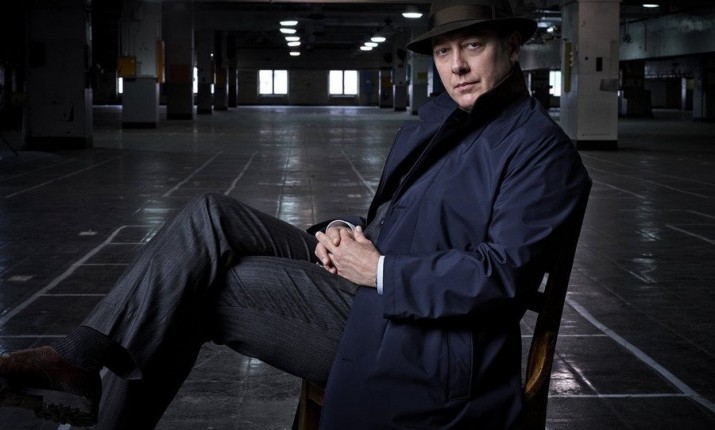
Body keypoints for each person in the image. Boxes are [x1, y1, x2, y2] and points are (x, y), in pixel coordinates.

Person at [0, 0, 590, 428]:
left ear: (512, 47)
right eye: (443, 51)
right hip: (366, 283)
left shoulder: (539, 150)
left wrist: (379, 271)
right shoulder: (442, 123)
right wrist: (342, 232)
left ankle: (85, 385)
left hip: (413, 330)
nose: (456, 65)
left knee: (198, 287)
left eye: (473, 46)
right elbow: (399, 217)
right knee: (209, 216)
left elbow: (500, 277)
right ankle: (77, 360)